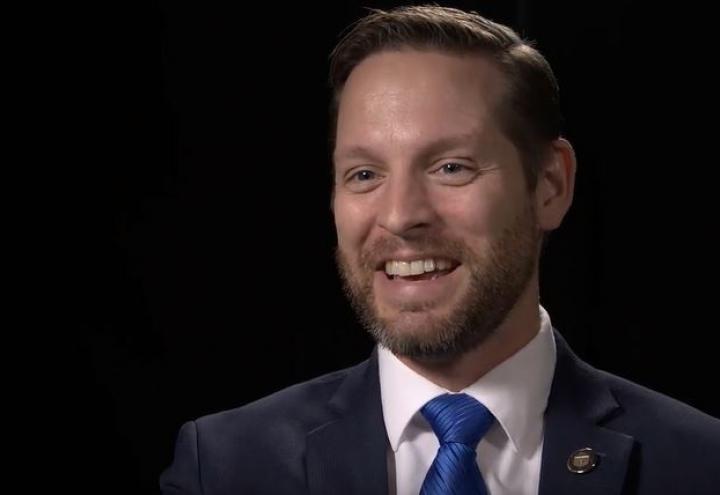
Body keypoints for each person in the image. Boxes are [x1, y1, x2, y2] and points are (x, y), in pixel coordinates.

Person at [160, 5, 720, 494]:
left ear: (550, 185)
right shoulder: (228, 467)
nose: (401, 215)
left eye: (451, 167)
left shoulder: (699, 465)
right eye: (363, 174)